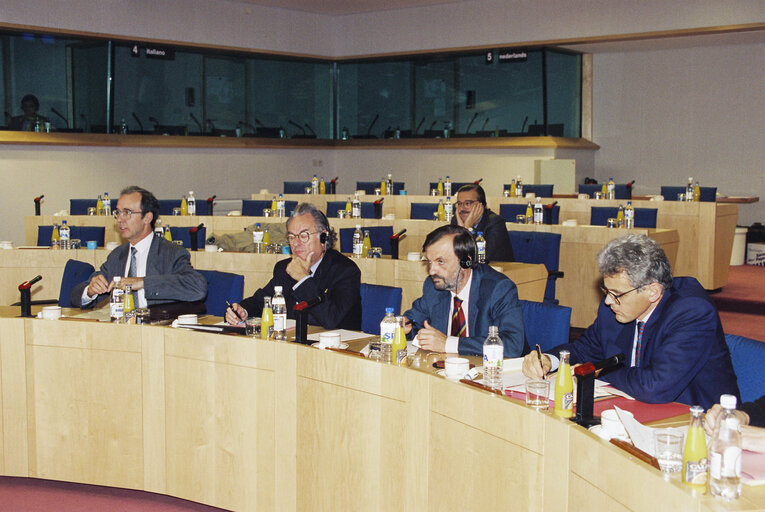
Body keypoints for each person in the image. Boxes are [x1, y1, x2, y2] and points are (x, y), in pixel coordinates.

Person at [522, 234, 739, 409]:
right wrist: (550, 360)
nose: (607, 301)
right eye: (606, 291)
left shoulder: (692, 312)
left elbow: (655, 386)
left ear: (653, 291)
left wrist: (595, 370)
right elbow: (584, 348)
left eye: (616, 293)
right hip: (632, 407)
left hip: (693, 421)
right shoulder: (615, 308)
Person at [226, 202, 362, 330]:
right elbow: (261, 301)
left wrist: (303, 279)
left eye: (303, 236)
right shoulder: (284, 268)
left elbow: (331, 319)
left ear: (323, 238)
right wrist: (242, 311)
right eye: (291, 237)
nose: (296, 243)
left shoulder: (345, 271)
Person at [71, 186, 208, 308]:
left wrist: (142, 283)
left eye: (127, 212)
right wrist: (90, 290)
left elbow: (198, 287)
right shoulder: (117, 255)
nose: (120, 219)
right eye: (118, 212)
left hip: (157, 330)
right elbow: (75, 296)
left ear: (147, 218)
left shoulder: (171, 253)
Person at [403, 224, 526, 357]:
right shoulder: (433, 287)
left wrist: (448, 343)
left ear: (466, 262)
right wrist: (405, 328)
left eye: (440, 262)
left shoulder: (498, 288)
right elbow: (415, 322)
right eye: (429, 262)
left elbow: (513, 344)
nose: (432, 271)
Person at [450, 183, 514, 263]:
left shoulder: (495, 222)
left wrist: (467, 229)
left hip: (496, 271)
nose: (462, 208)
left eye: (467, 203)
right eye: (459, 204)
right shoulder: (456, 220)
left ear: (481, 205)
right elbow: (450, 253)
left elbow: (481, 258)